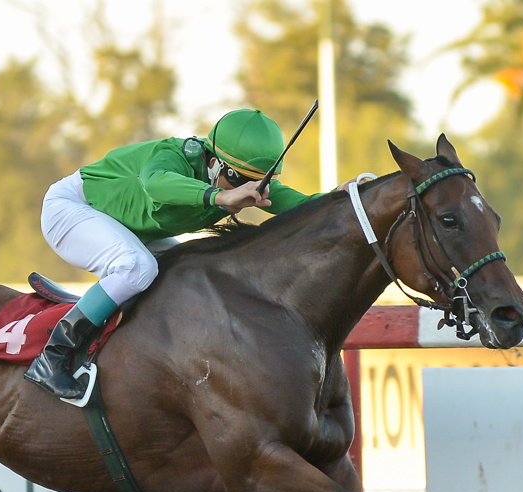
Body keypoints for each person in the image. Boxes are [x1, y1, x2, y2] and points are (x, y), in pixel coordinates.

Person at [25, 108, 321, 400]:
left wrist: (343, 196)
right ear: (215, 163)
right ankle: (52, 357)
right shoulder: (173, 155)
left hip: (127, 224)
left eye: (258, 182)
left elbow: (305, 204)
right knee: (138, 267)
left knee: (189, 273)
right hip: (71, 208)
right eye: (239, 180)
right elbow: (156, 183)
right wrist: (219, 196)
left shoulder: (238, 181)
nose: (247, 191)